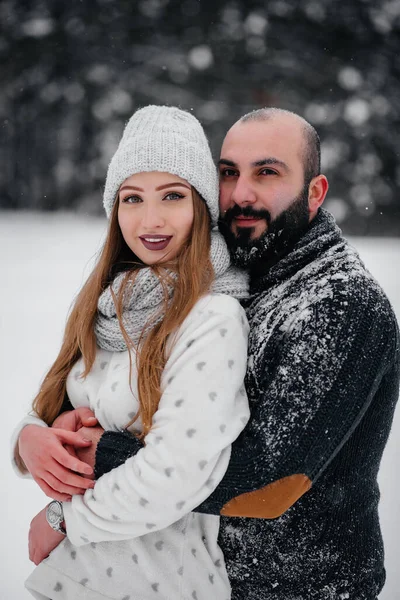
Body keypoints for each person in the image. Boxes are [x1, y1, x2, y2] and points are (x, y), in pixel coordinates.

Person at [47, 107, 399, 600]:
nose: (241, 194)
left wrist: (94, 458)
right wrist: (38, 434)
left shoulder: (341, 302)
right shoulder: (233, 275)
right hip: (205, 579)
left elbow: (269, 484)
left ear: (315, 193)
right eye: (229, 172)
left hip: (303, 588)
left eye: (267, 172)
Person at [11, 105, 250, 600]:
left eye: (173, 196)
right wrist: (28, 440)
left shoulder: (212, 318)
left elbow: (178, 473)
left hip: (159, 580)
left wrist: (64, 517)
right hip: (80, 577)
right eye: (132, 198)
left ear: (202, 206)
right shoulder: (109, 303)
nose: (150, 219)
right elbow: (51, 404)